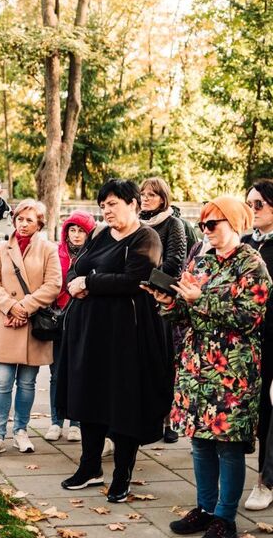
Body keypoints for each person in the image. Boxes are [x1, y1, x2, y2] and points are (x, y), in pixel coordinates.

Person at [147, 196, 270, 538]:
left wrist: (200, 300)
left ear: (234, 223)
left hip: (233, 369)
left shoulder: (252, 265)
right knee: (199, 443)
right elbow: (185, 317)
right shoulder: (201, 261)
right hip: (196, 365)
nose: (206, 230)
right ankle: (204, 507)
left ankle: (225, 518)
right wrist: (169, 303)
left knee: (228, 447)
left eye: (212, 224)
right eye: (203, 224)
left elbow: (250, 317)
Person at [56, 179, 171, 503]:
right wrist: (79, 282)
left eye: (113, 204)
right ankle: (90, 467)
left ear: (134, 204)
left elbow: (135, 279)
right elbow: (74, 269)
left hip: (125, 335)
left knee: (123, 404)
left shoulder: (146, 237)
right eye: (103, 205)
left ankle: (122, 475)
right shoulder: (100, 235)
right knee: (89, 397)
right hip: (89, 332)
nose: (106, 210)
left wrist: (88, 283)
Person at [0, 199, 62, 457]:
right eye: (19, 219)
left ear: (39, 223)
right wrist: (10, 307)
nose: (23, 224)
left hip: (33, 323)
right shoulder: (1, 248)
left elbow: (53, 284)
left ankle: (21, 431)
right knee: (2, 382)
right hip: (6, 322)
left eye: (29, 219)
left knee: (27, 384)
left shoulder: (49, 249)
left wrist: (24, 307)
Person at [140, 177, 187, 446]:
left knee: (164, 362)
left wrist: (140, 275)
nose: (146, 198)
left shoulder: (173, 224)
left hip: (162, 303)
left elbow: (173, 264)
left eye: (152, 195)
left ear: (163, 198)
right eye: (143, 194)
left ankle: (168, 419)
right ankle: (146, 416)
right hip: (137, 300)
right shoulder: (136, 224)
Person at [46, 210, 95, 442]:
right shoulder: (56, 253)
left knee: (79, 371)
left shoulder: (95, 253)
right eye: (72, 230)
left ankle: (76, 422)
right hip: (58, 318)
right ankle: (56, 421)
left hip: (83, 318)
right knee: (56, 373)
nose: (76, 235)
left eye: (81, 231)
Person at [244, 179, 273, 511]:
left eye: (259, 204)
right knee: (260, 412)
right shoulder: (245, 243)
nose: (252, 210)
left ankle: (265, 481)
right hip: (250, 343)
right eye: (249, 203)